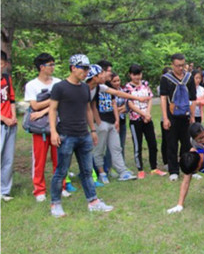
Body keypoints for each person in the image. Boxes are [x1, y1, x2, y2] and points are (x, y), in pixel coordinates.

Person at [48, 54, 113, 217]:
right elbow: (52, 109)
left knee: (86, 170)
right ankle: (55, 204)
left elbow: (88, 109)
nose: (86, 72)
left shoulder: (85, 88)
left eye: (87, 69)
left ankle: (93, 201)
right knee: (61, 171)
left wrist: (92, 130)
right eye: (83, 69)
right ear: (73, 68)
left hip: (83, 135)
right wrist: (53, 132)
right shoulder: (60, 87)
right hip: (65, 135)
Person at [23, 53, 64, 201]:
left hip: (58, 125)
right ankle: (39, 190)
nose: (53, 67)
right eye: (50, 65)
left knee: (59, 158)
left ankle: (61, 186)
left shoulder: (58, 83)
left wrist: (45, 108)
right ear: (42, 67)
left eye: (53, 64)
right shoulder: (32, 85)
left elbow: (59, 102)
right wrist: (54, 99)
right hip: (39, 128)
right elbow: (34, 105)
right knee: (39, 160)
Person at [90, 66, 138, 183]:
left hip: (112, 121)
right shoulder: (93, 88)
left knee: (116, 147)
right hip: (101, 122)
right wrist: (98, 122)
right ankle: (102, 173)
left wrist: (116, 120)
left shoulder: (105, 87)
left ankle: (122, 171)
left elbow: (114, 100)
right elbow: (92, 106)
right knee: (99, 149)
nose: (108, 74)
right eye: (107, 71)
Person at [124, 64, 167, 179]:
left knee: (152, 143)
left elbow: (149, 99)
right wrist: (142, 114)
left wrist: (147, 114)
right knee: (138, 145)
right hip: (135, 120)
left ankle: (154, 168)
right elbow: (130, 104)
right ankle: (140, 169)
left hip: (148, 119)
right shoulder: (127, 87)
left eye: (139, 74)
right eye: (134, 74)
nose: (137, 77)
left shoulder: (145, 84)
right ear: (130, 75)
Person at [160, 53, 196, 181]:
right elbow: (163, 98)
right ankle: (173, 170)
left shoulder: (189, 78)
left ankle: (188, 168)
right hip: (172, 116)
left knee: (187, 143)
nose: (180, 68)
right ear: (172, 65)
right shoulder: (166, 79)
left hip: (186, 115)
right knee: (172, 144)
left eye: (182, 65)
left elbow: (193, 98)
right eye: (177, 66)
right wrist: (165, 117)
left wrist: (192, 116)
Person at [1, 51, 17, 201]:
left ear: (4, 64)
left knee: (8, 158)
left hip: (10, 123)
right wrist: (4, 118)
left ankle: (4, 190)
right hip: (1, 121)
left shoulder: (6, 78)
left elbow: (12, 99)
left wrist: (12, 116)